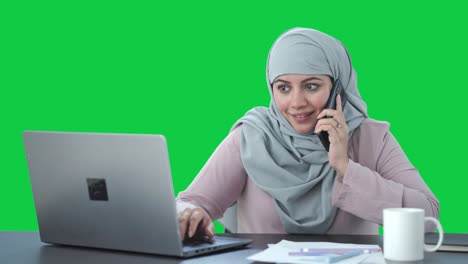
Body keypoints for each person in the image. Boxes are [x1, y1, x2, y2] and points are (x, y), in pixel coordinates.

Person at [176, 27, 440, 241]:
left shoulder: (370, 137)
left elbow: (428, 216)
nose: (296, 103)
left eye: (311, 86)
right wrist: (190, 214)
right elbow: (191, 202)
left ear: (338, 87)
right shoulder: (254, 135)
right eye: (283, 88)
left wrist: (346, 167)